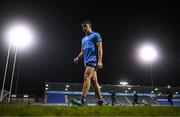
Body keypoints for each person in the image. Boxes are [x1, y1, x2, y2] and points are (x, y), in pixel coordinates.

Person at [72, 20, 107, 106]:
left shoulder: (96, 35)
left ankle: (82, 100)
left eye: (85, 26)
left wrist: (99, 61)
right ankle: (100, 100)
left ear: (90, 27)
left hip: (93, 60)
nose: (83, 28)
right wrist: (78, 57)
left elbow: (100, 49)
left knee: (86, 77)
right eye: (82, 27)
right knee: (94, 81)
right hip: (86, 62)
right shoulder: (83, 39)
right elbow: (82, 51)